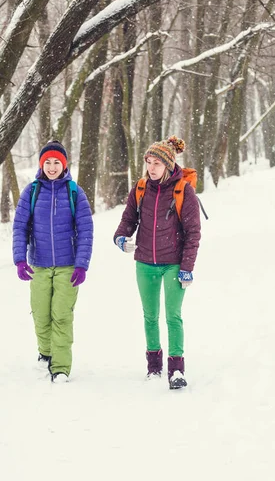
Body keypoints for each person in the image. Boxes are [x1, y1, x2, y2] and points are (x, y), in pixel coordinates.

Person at [113, 136, 201, 389]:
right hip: (144, 262)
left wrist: (187, 268)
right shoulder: (140, 188)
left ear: (169, 164)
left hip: (173, 263)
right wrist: (120, 237)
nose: (151, 168)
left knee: (173, 316)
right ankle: (154, 367)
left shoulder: (183, 190)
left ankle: (176, 370)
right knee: (150, 316)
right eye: (149, 162)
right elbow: (128, 219)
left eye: (157, 163)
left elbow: (193, 233)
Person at [13, 140, 93, 383]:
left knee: (61, 315)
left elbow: (86, 229)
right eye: (47, 162)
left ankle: (60, 368)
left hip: (68, 266)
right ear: (41, 164)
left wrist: (82, 264)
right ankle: (46, 352)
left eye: (56, 162)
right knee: (40, 313)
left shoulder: (74, 192)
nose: (51, 166)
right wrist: (19, 259)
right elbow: (19, 226)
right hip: (39, 264)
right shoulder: (32, 191)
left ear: (64, 164)